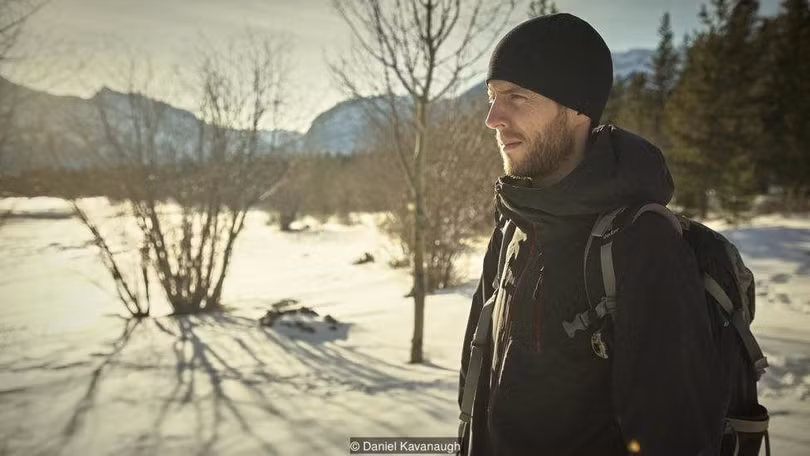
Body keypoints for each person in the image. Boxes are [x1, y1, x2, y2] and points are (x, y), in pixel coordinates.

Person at [458, 13, 725, 456]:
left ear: (577, 109)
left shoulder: (642, 244)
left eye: (516, 97)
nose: (492, 118)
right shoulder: (515, 224)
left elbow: (677, 437)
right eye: (492, 97)